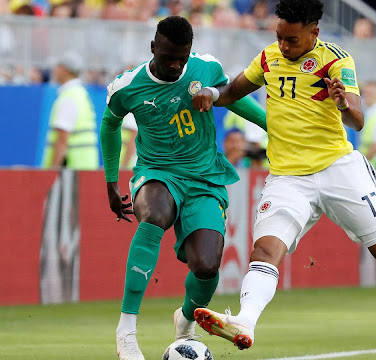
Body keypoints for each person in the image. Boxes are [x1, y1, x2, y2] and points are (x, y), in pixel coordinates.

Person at [190, 0, 376, 350]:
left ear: (314, 32)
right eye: (280, 37)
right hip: (287, 178)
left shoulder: (336, 60)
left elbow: (357, 120)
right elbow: (232, 93)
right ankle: (244, 321)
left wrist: (344, 102)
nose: (284, 45)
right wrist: (210, 93)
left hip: (338, 170)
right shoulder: (268, 58)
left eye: (292, 40)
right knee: (265, 250)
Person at [101, 16, 267, 360]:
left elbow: (231, 96)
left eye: (183, 58)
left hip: (205, 177)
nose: (177, 65)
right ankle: (126, 331)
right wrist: (110, 182)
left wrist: (271, 127)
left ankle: (186, 317)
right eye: (169, 58)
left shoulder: (204, 68)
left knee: (207, 266)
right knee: (154, 216)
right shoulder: (127, 86)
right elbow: (110, 124)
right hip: (157, 171)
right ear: (153, 49)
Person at [42, 51, 99, 170]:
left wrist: (52, 171)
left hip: (70, 168)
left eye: (58, 66)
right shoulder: (80, 93)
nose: (54, 70)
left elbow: (62, 138)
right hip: (83, 165)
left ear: (65, 70)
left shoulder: (69, 97)